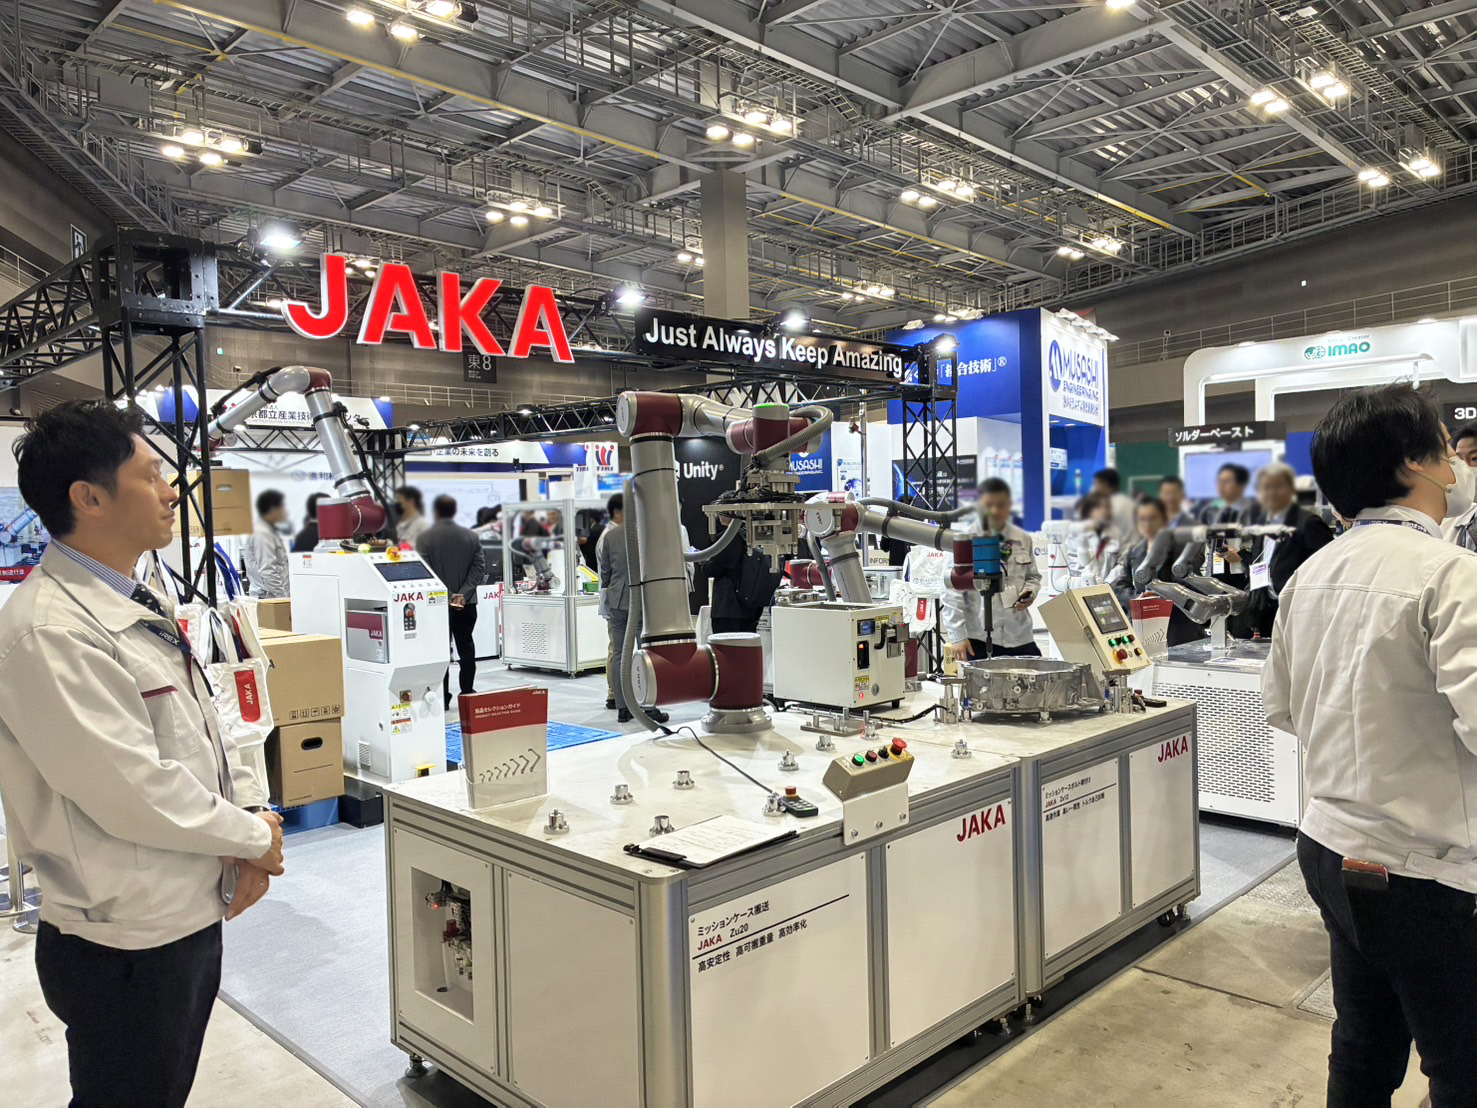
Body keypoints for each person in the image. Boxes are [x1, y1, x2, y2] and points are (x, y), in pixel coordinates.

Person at [0, 401, 285, 1108]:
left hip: (183, 910)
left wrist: (253, 816)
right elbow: (131, 789)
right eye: (150, 474)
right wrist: (253, 839)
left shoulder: (136, 596)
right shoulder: (51, 631)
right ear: (89, 498)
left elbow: (206, 723)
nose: (170, 490)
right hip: (122, 939)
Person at [1264, 383, 1477, 1105]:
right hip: (1429, 872)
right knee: (1462, 1066)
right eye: (1446, 447)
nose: (1457, 462)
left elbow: (1283, 708)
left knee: (1361, 1048)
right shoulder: (1450, 574)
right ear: (1416, 463)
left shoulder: (1310, 574)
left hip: (1328, 848)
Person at [943, 477, 1042, 661]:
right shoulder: (964, 541)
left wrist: (1030, 593)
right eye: (989, 505)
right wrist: (957, 636)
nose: (995, 511)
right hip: (980, 637)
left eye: (1001, 505)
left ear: (1009, 505)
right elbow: (951, 591)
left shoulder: (1022, 538)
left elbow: (1033, 576)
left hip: (1019, 634)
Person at [1237, 462, 1333, 638]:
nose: (1271, 493)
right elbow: (1263, 562)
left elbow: (1325, 569)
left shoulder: (1308, 523)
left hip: (1298, 611)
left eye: (1278, 487)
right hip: (1266, 610)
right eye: (1266, 488)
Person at [596, 493, 667, 725]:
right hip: (642, 601)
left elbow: (605, 573)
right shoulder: (649, 534)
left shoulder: (610, 535)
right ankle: (649, 706)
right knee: (647, 653)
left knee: (619, 654)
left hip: (617, 601)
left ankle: (623, 707)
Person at [416, 494, 485, 710]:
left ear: (435, 512)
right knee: (466, 647)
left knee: (440, 651)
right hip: (467, 603)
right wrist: (462, 594)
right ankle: (467, 692)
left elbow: (425, 571)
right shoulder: (471, 536)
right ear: (455, 512)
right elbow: (479, 569)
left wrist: (446, 596)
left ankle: (442, 698)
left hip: (436, 605)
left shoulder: (424, 538)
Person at [1110, 497, 1204, 647]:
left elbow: (1193, 588)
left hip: (1178, 631)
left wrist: (1157, 600)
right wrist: (1137, 598)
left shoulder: (1183, 550)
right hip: (1144, 629)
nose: (1147, 524)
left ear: (1165, 520)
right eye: (1142, 519)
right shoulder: (1135, 551)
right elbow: (1120, 586)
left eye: (1152, 518)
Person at [707, 514, 783, 635]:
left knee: (726, 645)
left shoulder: (726, 539)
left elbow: (712, 569)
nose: (718, 515)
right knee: (747, 644)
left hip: (727, 607)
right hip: (751, 608)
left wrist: (703, 562)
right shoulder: (757, 536)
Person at [243, 488, 290, 598]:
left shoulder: (269, 531)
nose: (286, 511)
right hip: (269, 597)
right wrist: (283, 598)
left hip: (271, 596)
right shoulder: (264, 534)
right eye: (283, 507)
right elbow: (267, 570)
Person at [1091, 467, 1138, 547]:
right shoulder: (1131, 503)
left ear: (1104, 485)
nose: (1094, 488)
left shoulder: (1105, 507)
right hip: (1135, 547)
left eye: (1096, 484)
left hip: (1119, 550)